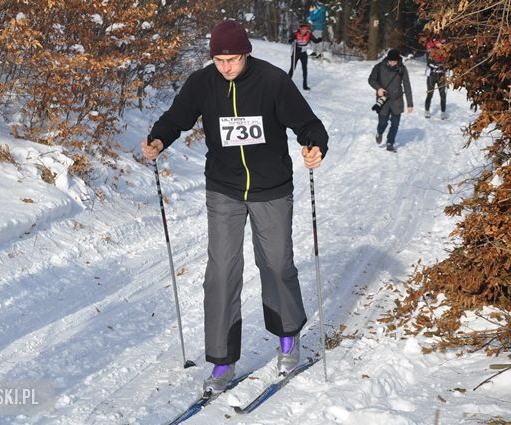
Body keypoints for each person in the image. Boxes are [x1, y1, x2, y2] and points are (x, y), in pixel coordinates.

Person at [141, 20, 328, 396]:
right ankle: (222, 360)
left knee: (276, 264)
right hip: (224, 189)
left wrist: (315, 145)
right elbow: (177, 118)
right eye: (220, 59)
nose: (226, 66)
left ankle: (288, 340)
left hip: (271, 188)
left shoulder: (273, 81)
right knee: (221, 273)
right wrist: (158, 138)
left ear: (247, 54)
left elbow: (307, 123)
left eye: (232, 59)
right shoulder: (202, 83)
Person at [368, 49, 413, 152]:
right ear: (387, 59)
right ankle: (379, 132)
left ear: (398, 60)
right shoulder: (379, 67)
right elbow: (371, 79)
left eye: (395, 61)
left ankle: (390, 143)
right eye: (390, 61)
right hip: (383, 100)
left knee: (395, 123)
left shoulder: (402, 69)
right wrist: (378, 88)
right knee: (383, 123)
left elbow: (407, 86)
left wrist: (410, 104)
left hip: (397, 100)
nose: (392, 63)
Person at [288, 23, 322, 91]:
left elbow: (315, 41)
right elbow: (289, 41)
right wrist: (292, 39)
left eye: (306, 29)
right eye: (303, 29)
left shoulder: (309, 33)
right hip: (296, 52)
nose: (305, 30)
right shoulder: (295, 33)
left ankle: (305, 85)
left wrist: (319, 39)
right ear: (300, 29)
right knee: (292, 68)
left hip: (303, 53)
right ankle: (287, 82)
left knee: (304, 69)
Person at [424, 37, 448, 119]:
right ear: (436, 42)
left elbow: (448, 61)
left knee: (443, 94)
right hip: (432, 75)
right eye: (440, 43)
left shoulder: (445, 50)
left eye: (443, 43)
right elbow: (428, 62)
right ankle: (427, 110)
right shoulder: (430, 49)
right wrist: (437, 66)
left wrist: (445, 66)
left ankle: (443, 112)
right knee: (430, 94)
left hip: (441, 75)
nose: (441, 45)